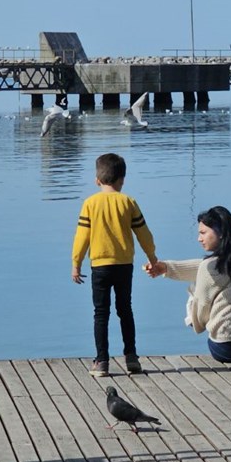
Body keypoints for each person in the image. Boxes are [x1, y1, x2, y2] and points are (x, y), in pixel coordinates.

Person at [144, 206, 231, 363]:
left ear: (221, 232)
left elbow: (200, 318)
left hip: (230, 349)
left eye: (203, 233)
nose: (199, 238)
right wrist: (167, 268)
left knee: (196, 287)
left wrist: (193, 316)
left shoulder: (210, 267)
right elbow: (212, 269)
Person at [71, 153, 157, 377]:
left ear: (97, 180)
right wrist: (152, 257)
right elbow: (143, 234)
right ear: (122, 180)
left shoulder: (90, 203)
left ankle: (101, 362)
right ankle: (131, 358)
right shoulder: (128, 202)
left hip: (99, 266)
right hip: (124, 265)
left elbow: (82, 237)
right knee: (125, 310)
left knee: (101, 313)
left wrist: (76, 263)